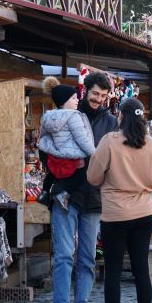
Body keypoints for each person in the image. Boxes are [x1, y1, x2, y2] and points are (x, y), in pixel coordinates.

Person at [87, 98, 152, 303]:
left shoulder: (110, 142)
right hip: (144, 212)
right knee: (142, 269)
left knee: (113, 270)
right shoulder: (151, 144)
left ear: (121, 116)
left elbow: (93, 177)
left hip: (115, 214)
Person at [48, 72, 117, 303]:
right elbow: (49, 149)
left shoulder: (111, 122)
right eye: (94, 94)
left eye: (103, 95)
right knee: (65, 255)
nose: (98, 99)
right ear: (85, 91)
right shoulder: (68, 114)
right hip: (67, 194)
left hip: (95, 197)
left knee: (88, 257)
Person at [39, 77, 95, 210]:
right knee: (82, 175)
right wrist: (94, 153)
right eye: (74, 98)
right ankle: (64, 195)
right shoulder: (73, 116)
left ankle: (44, 192)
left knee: (52, 174)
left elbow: (44, 136)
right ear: (64, 101)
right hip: (72, 156)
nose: (78, 100)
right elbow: (82, 138)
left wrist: (50, 150)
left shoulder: (49, 117)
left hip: (56, 155)